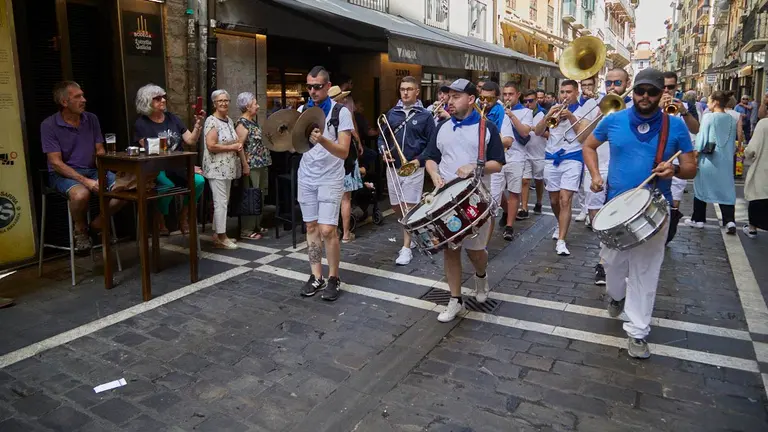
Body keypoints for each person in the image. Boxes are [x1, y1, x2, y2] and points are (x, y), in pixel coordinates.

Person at [583, 68, 696, 359]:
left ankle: (637, 331)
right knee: (612, 265)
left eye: (652, 92)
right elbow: (589, 146)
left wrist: (674, 169)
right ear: (633, 92)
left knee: (645, 271)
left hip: (655, 208)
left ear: (662, 94)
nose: (645, 97)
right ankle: (616, 296)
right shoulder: (614, 120)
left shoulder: (675, 126)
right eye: (640, 91)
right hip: (614, 209)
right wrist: (595, 175)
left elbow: (691, 167)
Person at [419, 79, 505, 322]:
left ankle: (481, 275)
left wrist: (475, 167)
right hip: (447, 200)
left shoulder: (486, 128)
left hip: (475, 199)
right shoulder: (442, 127)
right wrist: (434, 173)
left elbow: (498, 163)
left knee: (476, 253)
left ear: (471, 99)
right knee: (450, 250)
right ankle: (455, 299)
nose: (450, 101)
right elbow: (430, 157)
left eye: (456, 97)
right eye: (449, 96)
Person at [41, 81, 125, 252]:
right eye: (78, 97)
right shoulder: (49, 125)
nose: (84, 100)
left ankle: (97, 224)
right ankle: (80, 230)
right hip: (63, 174)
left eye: (83, 95)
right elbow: (56, 163)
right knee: (81, 195)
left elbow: (99, 150)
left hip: (92, 170)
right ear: (64, 102)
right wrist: (86, 181)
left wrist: (102, 172)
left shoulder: (91, 119)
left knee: (125, 190)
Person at [297, 66, 354, 301]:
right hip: (306, 175)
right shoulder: (302, 111)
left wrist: (321, 140)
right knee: (311, 227)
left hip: (330, 177)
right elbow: (295, 146)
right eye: (309, 87)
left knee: (328, 230)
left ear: (328, 86)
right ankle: (316, 275)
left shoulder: (341, 112)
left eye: (317, 87)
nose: (312, 91)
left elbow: (343, 152)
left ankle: (333, 277)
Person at [534, 80, 599, 256]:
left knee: (565, 200)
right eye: (562, 92)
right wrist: (548, 115)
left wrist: (570, 116)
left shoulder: (583, 110)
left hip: (572, 157)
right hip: (551, 157)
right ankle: (560, 222)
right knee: (554, 200)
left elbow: (582, 137)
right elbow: (538, 132)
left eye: (568, 92)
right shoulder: (553, 109)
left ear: (576, 92)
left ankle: (561, 240)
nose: (565, 95)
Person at [133, 84, 205, 235]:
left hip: (177, 167)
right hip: (156, 168)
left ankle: (183, 216)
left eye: (163, 97)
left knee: (199, 181)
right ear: (147, 102)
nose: (163, 100)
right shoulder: (141, 123)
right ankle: (160, 218)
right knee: (166, 185)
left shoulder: (172, 118)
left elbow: (191, 140)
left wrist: (198, 125)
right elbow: (151, 150)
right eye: (157, 98)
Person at [583, 68, 632, 285]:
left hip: (622, 169)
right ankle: (604, 259)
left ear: (627, 83)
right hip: (597, 166)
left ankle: (609, 263)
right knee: (597, 217)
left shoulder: (635, 107)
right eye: (609, 83)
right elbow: (583, 139)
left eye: (617, 83)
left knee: (621, 217)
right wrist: (599, 114)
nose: (612, 87)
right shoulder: (593, 104)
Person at [379, 76, 435, 265]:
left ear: (417, 91)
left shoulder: (425, 116)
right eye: (402, 89)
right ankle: (413, 229)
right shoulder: (392, 113)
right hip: (393, 166)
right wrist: (383, 151)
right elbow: (382, 138)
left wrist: (419, 161)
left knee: (408, 207)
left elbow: (432, 143)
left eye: (409, 89)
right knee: (396, 206)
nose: (405, 92)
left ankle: (406, 248)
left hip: (414, 167)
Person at [685, 91, 739, 234]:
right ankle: (729, 220)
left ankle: (698, 219)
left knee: (701, 188)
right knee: (726, 190)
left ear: (715, 102)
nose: (708, 103)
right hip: (726, 160)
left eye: (709, 100)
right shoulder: (731, 119)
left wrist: (695, 155)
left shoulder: (708, 117)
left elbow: (701, 138)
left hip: (709, 159)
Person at [203, 89, 245, 249]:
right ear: (214, 103)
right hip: (216, 168)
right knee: (220, 202)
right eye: (220, 100)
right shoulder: (211, 121)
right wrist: (232, 147)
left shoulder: (228, 120)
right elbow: (211, 145)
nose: (223, 103)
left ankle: (217, 234)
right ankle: (222, 236)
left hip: (227, 168)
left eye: (226, 100)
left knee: (223, 201)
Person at [661, 72, 699, 244]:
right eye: (663, 87)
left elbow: (696, 129)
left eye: (670, 87)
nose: (666, 90)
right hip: (657, 160)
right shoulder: (651, 105)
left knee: (673, 204)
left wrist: (684, 112)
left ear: (676, 87)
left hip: (678, 162)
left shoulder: (687, 106)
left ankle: (667, 235)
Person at [495, 82, 532, 241]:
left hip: (516, 156)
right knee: (496, 190)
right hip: (499, 155)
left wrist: (511, 115)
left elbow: (524, 133)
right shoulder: (497, 110)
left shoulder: (526, 112)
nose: (507, 97)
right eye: (505, 94)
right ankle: (506, 210)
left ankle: (509, 226)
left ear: (518, 95)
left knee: (514, 191)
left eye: (510, 94)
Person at [234, 92, 271, 240]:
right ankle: (247, 229)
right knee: (250, 196)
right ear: (248, 106)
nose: (258, 106)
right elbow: (239, 147)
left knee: (259, 195)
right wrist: (245, 165)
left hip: (261, 163)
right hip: (252, 165)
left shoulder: (253, 122)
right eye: (255, 103)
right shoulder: (242, 124)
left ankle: (256, 225)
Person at [333, 86, 364, 244]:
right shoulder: (343, 112)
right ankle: (346, 233)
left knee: (332, 199)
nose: (345, 99)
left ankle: (334, 232)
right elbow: (352, 132)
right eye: (342, 97)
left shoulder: (323, 113)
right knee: (346, 198)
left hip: (331, 160)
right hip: (346, 160)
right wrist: (359, 143)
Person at [575, 76, 600, 223]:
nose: (587, 88)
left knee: (588, 179)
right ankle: (583, 208)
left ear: (595, 85)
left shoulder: (599, 100)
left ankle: (588, 209)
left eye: (590, 85)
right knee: (582, 179)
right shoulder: (579, 100)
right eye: (584, 85)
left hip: (597, 146)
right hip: (583, 144)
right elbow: (580, 133)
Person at [519, 90, 546, 218]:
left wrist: (535, 129)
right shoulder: (522, 113)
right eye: (525, 101)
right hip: (525, 152)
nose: (527, 104)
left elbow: (550, 134)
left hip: (539, 152)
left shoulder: (543, 114)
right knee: (525, 180)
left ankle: (539, 202)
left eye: (530, 101)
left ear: (536, 101)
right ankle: (524, 208)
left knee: (539, 180)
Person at [743, 118, 768, 237]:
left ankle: (752, 228)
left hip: (763, 167)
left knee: (757, 194)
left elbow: (752, 149)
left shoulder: (763, 124)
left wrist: (746, 154)